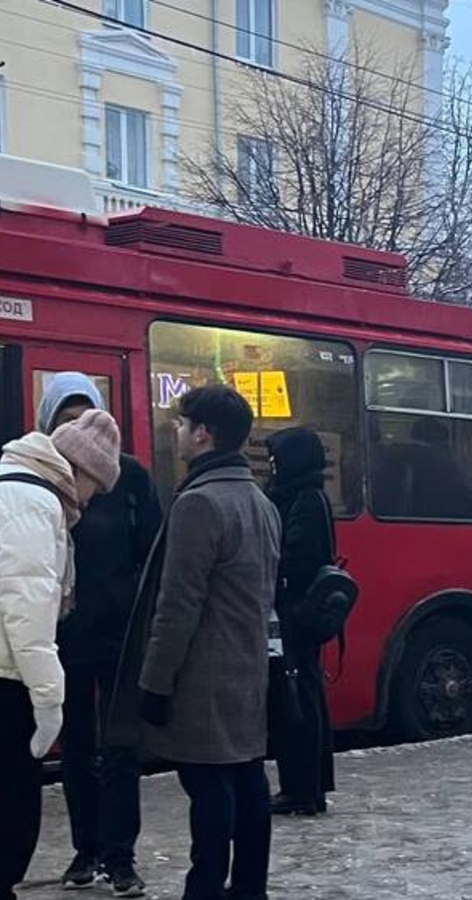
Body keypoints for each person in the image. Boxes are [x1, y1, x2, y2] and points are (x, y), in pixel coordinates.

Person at [110, 385, 281, 900]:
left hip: (202, 678)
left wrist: (154, 684)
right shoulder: (259, 502)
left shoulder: (198, 504)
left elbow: (177, 605)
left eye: (182, 425)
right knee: (248, 782)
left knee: (207, 789)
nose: (177, 433)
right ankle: (249, 886)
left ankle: (204, 888)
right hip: (247, 671)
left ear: (203, 434)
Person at [37, 374, 162, 896]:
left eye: (85, 418)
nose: (77, 432)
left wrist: (144, 618)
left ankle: (121, 857)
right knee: (78, 749)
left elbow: (152, 551)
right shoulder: (42, 477)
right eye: (66, 422)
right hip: (63, 638)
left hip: (119, 635)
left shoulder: (128, 477)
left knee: (120, 750)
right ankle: (84, 851)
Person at [0, 411, 121, 900]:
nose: (91, 502)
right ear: (81, 471)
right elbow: (26, 614)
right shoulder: (33, 502)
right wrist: (50, 700)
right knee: (14, 807)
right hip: (7, 678)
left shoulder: (16, 487)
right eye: (97, 487)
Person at [264, 427, 335, 817]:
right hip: (292, 614)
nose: (272, 466)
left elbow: (297, 559)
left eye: (277, 458)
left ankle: (303, 788)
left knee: (298, 698)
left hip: (295, 616)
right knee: (300, 695)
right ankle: (304, 785)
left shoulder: (306, 500)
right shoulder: (300, 495)